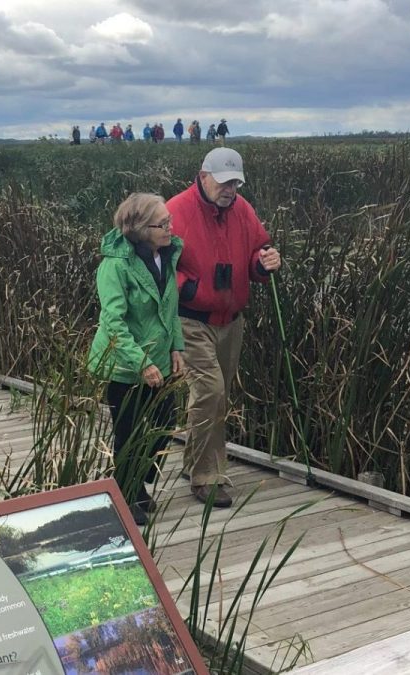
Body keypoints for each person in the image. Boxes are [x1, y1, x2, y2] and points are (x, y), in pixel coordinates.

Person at [166, 148, 281, 507]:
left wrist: (265, 263)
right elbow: (157, 263)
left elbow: (257, 251)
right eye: (224, 181)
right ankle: (205, 477)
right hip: (191, 319)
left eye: (236, 182)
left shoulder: (242, 210)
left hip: (231, 321)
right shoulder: (175, 210)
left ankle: (196, 462)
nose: (230, 189)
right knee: (211, 393)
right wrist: (189, 288)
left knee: (219, 396)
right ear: (203, 176)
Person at [87, 193, 185, 526]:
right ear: (141, 228)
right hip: (124, 365)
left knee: (163, 427)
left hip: (159, 356)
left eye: (170, 220)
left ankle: (138, 482)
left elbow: (169, 308)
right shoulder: (115, 266)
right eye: (163, 224)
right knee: (127, 433)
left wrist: (177, 347)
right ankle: (126, 495)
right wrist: (141, 362)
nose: (170, 227)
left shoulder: (166, 256)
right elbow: (113, 322)